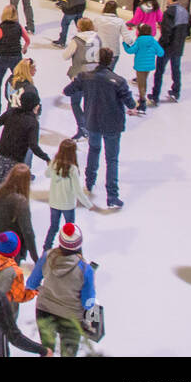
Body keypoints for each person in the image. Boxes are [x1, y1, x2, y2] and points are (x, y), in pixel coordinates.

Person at [62, 48, 135, 208]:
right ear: (110, 61)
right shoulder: (118, 81)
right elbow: (130, 103)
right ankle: (112, 196)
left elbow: (67, 91)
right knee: (112, 159)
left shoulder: (85, 77)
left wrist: (75, 82)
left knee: (93, 151)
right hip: (112, 125)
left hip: (92, 122)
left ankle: (89, 182)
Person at [25, 222, 97, 357]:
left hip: (44, 310)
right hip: (71, 317)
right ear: (79, 244)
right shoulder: (86, 270)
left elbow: (31, 284)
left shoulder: (47, 256)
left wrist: (43, 289)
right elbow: (88, 303)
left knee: (47, 352)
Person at [0, 89, 50, 191]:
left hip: (0, 154)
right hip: (15, 160)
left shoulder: (11, 112)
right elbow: (33, 145)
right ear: (34, 106)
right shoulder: (33, 122)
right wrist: (46, 158)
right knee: (5, 191)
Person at [43, 139, 92, 250]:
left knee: (53, 227)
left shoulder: (54, 163)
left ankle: (46, 249)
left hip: (54, 203)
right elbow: (78, 191)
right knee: (70, 230)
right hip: (68, 205)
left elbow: (46, 174)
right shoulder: (72, 169)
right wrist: (89, 205)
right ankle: (70, 250)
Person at [0, 6, 30, 114]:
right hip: (16, 57)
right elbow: (28, 40)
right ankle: (17, 105)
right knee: (18, 82)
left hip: (2, 57)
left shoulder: (0, 29)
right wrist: (24, 48)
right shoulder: (19, 27)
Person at [150, 0, 189, 104]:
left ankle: (155, 95)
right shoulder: (184, 11)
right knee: (176, 69)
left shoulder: (169, 12)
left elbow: (167, 32)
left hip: (167, 47)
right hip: (178, 46)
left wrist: (159, 46)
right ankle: (176, 92)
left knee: (160, 71)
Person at [123, 23, 164, 113]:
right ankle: (142, 98)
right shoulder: (153, 41)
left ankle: (142, 103)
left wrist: (125, 44)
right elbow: (161, 52)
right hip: (149, 66)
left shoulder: (139, 40)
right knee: (143, 81)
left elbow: (130, 51)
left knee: (141, 84)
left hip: (140, 65)